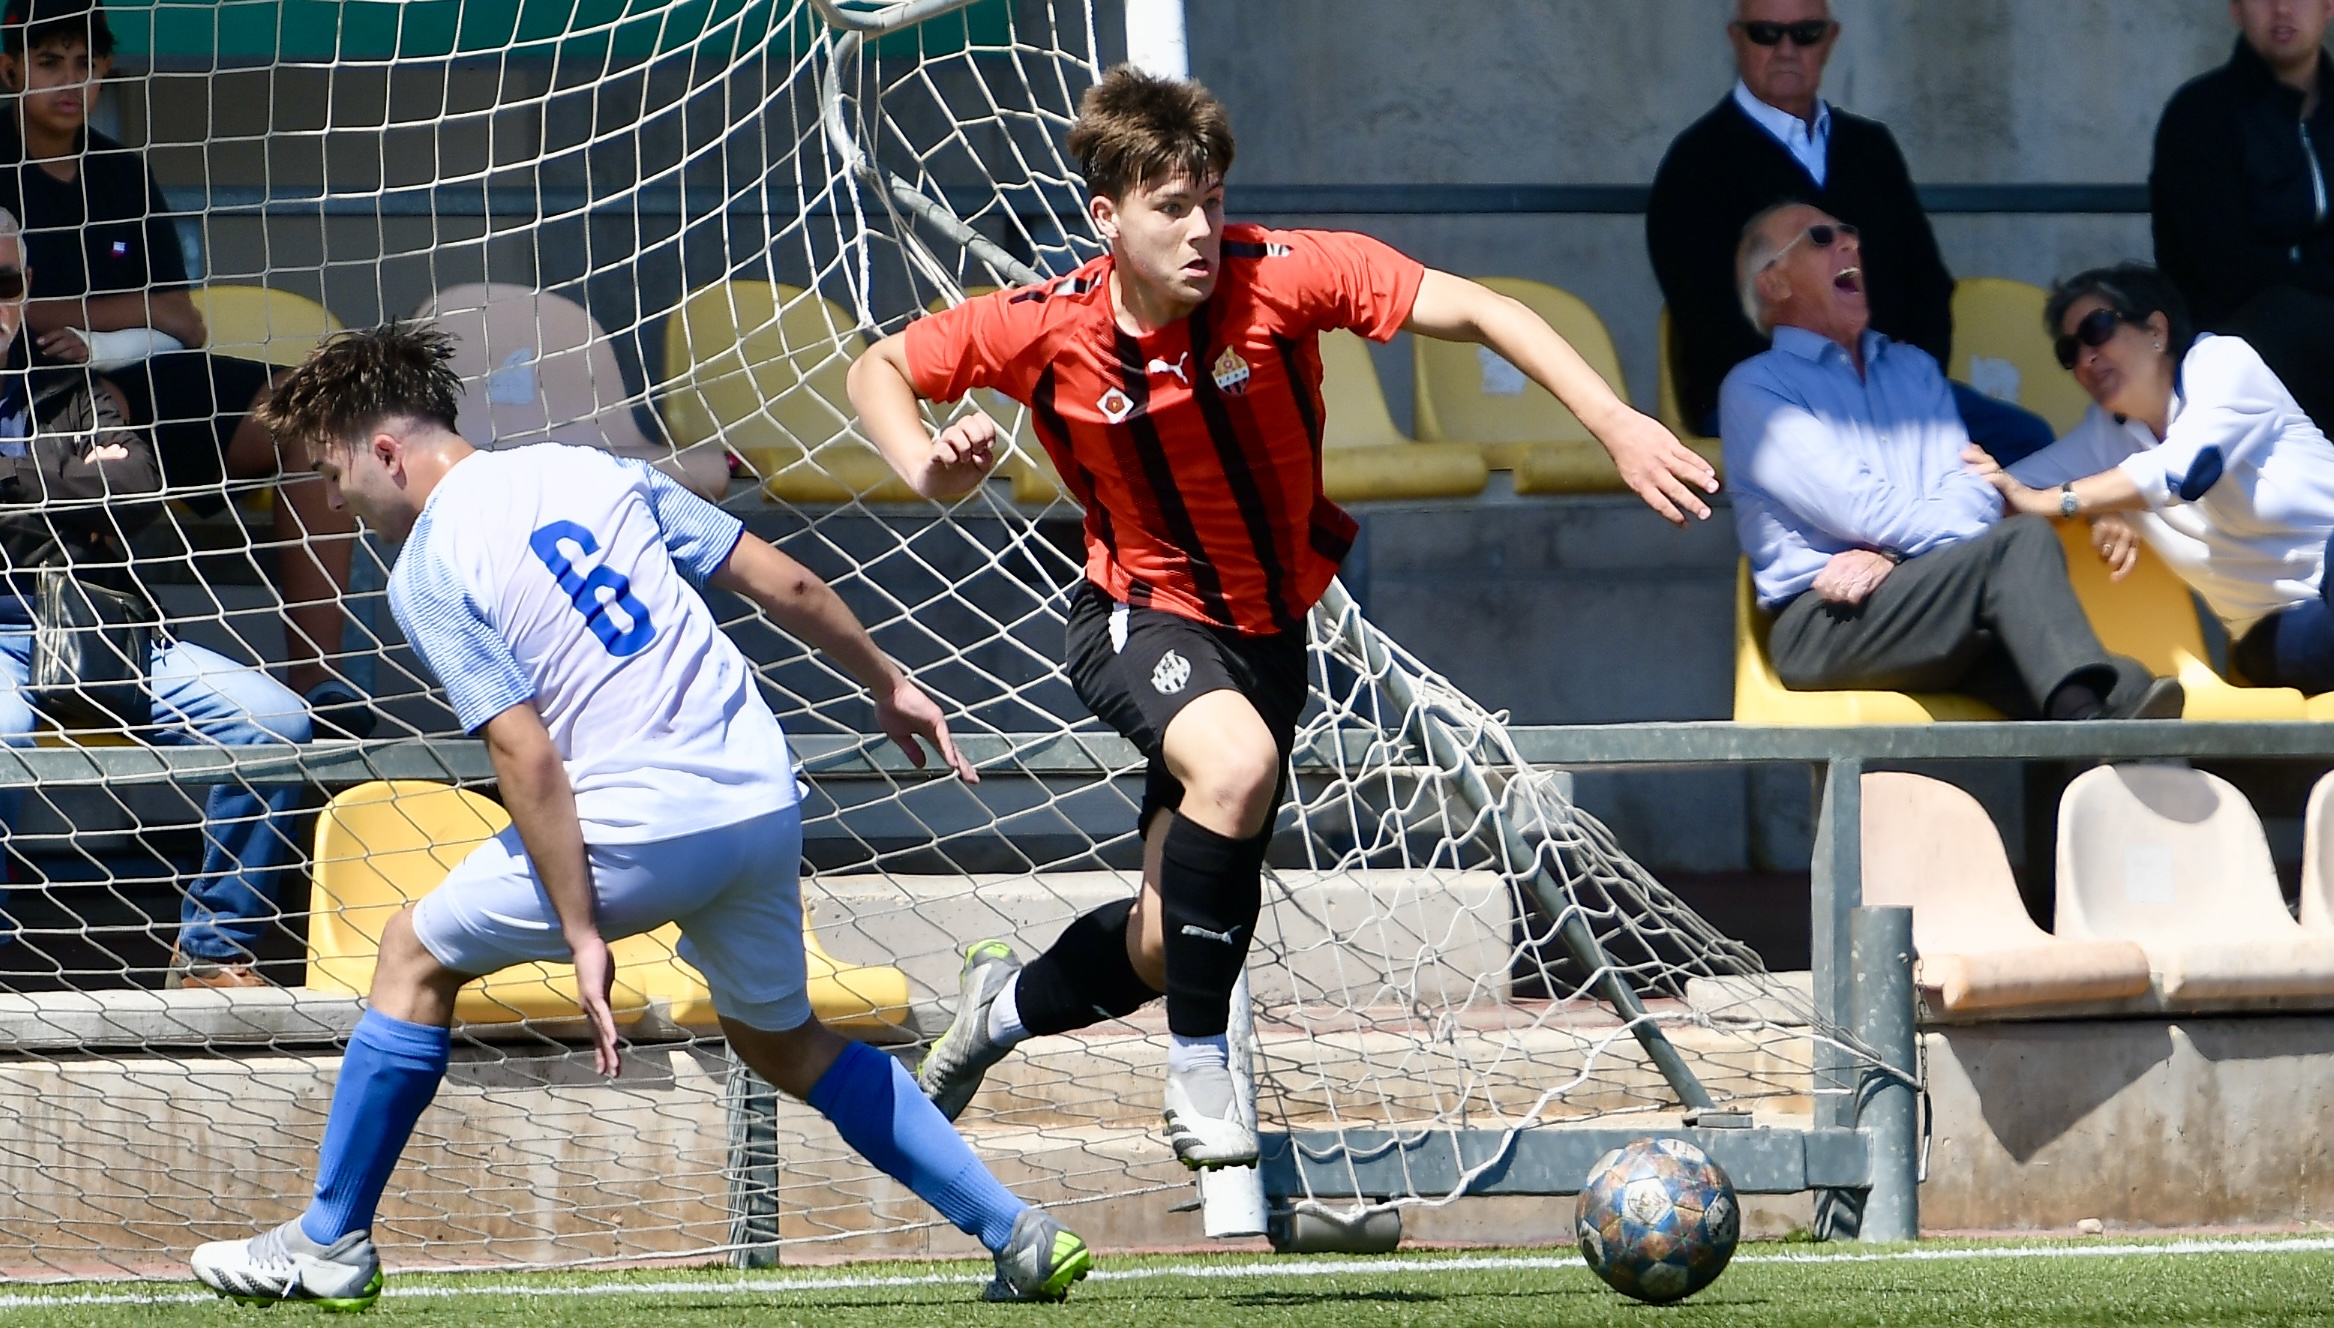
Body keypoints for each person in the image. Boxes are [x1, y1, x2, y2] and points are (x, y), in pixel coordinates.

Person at [847, 65, 1718, 1168]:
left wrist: (1617, 423)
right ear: (1106, 218)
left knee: (1168, 939)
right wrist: (926, 463)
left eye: (1211, 197)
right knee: (1240, 766)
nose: (1202, 227)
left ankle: (1000, 1007)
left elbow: (1485, 307)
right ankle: (1201, 1068)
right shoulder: (1046, 327)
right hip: (1139, 614)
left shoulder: (1286, 272)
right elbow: (880, 365)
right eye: (1172, 207)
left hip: (1270, 631)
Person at [188, 326, 1092, 1307]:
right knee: (781, 1038)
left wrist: (581, 928)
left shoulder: (428, 568)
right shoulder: (593, 468)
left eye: (332, 471)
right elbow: (780, 579)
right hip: (756, 794)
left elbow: (524, 750)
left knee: (411, 951)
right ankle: (1016, 1229)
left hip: (641, 820)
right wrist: (885, 679)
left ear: (388, 452)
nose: (337, 501)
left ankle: (329, 1238)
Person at [0, 0, 370, 735]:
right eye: (49, 63)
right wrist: (129, 314)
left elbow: (184, 320)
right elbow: (19, 308)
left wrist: (114, 329)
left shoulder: (124, 175)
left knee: (319, 416)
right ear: (9, 69)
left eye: (86, 64)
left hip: (142, 379)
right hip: (43, 395)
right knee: (96, 405)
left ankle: (322, 693)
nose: (71, 82)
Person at [0, 206, 310, 988]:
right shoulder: (76, 411)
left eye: (1, 284)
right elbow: (100, 487)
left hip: (102, 630)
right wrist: (73, 479)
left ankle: (212, 951)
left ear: (26, 288)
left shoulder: (71, 384)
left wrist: (16, 483)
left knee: (275, 720)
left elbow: (135, 487)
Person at [1722, 204, 2182, 720]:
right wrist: (1911, 550)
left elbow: (1976, 491)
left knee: (2127, 686)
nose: (1849, 243)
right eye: (1822, 238)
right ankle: (2087, 730)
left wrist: (1894, 558)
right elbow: (1865, 509)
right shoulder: (1757, 388)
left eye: (1850, 232)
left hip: (1933, 608)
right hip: (1828, 624)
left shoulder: (1912, 369)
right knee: (2021, 542)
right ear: (1775, 284)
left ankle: (2083, 751)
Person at [1646, 0, 2054, 461]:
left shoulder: (1870, 148)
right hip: (1773, 401)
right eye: (1765, 33)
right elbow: (1708, 318)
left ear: (1830, 39)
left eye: (1805, 34)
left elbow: (1926, 284)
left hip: (1892, 392)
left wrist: (1907, 383)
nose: (1785, 49)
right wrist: (1830, 389)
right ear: (1736, 38)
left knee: (2028, 443)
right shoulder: (1697, 163)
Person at [1976, 264, 2334, 694]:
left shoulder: (2221, 362)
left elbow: (2184, 471)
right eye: (2069, 351)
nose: (2086, 358)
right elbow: (1998, 493)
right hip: (2280, 632)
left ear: (2155, 330)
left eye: (2098, 329)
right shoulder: (2102, 437)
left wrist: (2066, 501)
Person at [2152, 0, 2334, 436]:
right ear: (2236, 9)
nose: (2282, 9)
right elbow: (2227, 270)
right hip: (2234, 341)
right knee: (2284, 316)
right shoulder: (2200, 115)